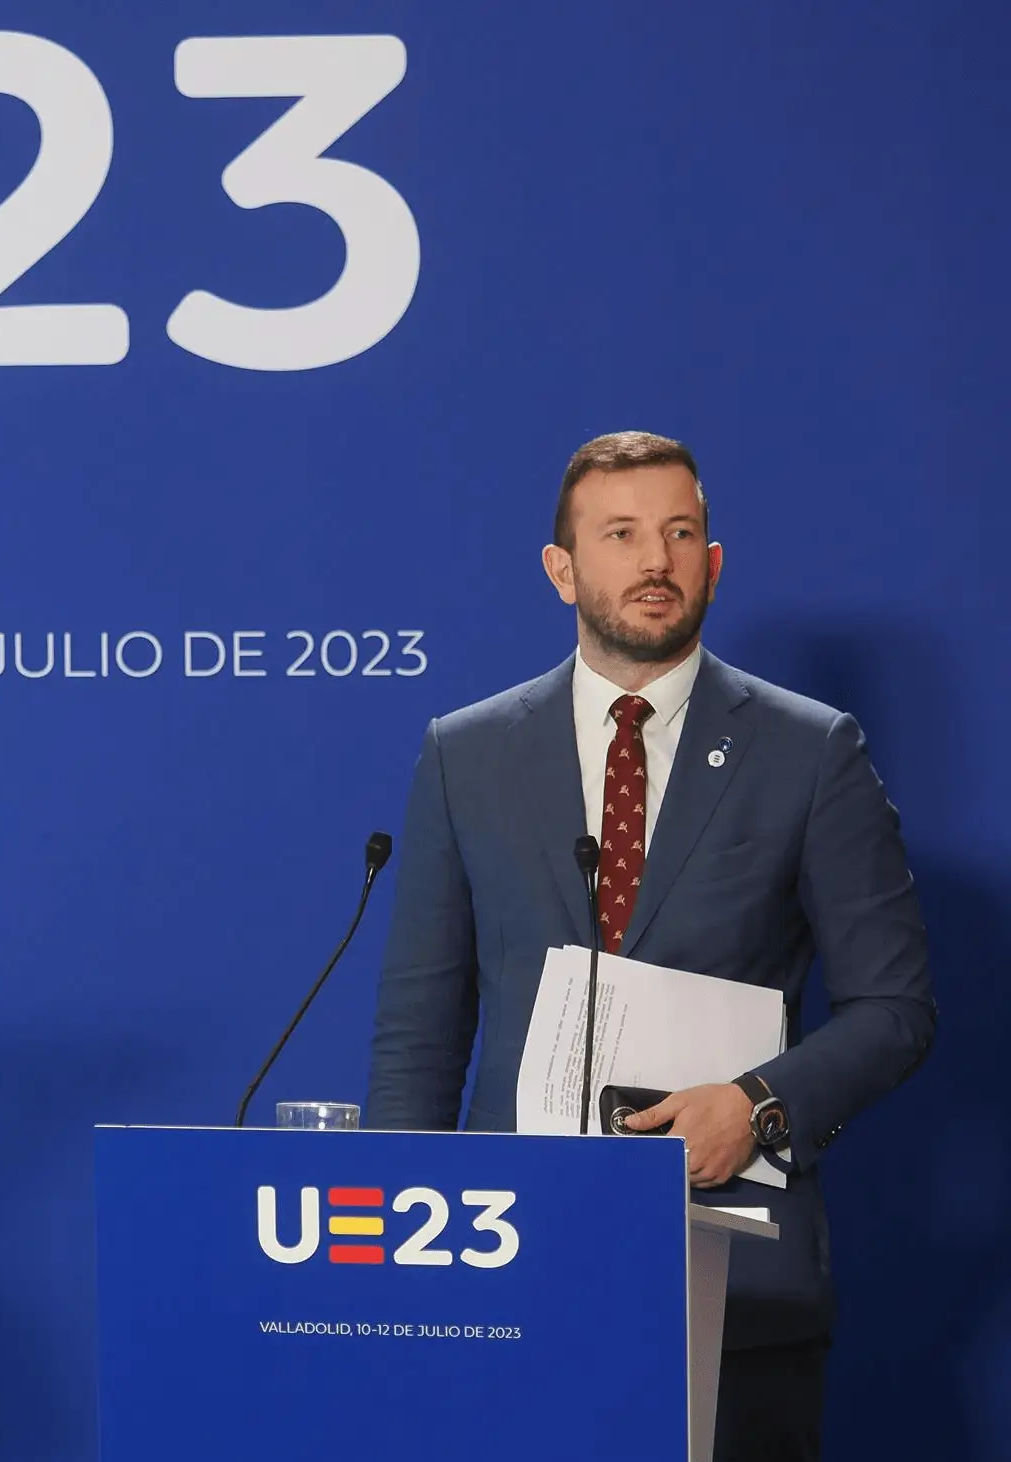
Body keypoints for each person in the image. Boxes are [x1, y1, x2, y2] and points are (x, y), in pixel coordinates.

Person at [366, 432, 934, 1462]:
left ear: (713, 561)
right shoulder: (467, 753)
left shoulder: (813, 751)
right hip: (508, 1267)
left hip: (727, 1260)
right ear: (563, 568)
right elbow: (421, 1031)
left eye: (681, 533)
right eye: (621, 534)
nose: (655, 561)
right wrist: (402, 1264)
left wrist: (760, 1105)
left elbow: (896, 1011)